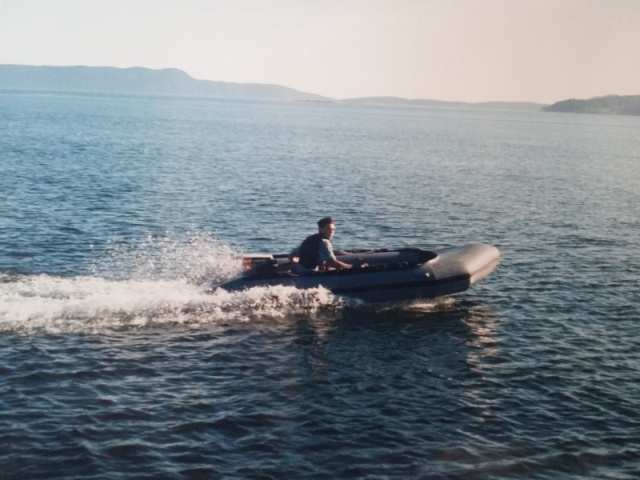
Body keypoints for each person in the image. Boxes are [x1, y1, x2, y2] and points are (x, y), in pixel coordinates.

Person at [290, 217, 355, 270]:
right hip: (310, 272)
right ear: (320, 229)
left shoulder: (310, 239)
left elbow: (291, 255)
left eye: (333, 230)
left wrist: (296, 262)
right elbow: (332, 262)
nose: (331, 232)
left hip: (300, 269)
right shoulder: (325, 242)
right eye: (328, 229)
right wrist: (350, 267)